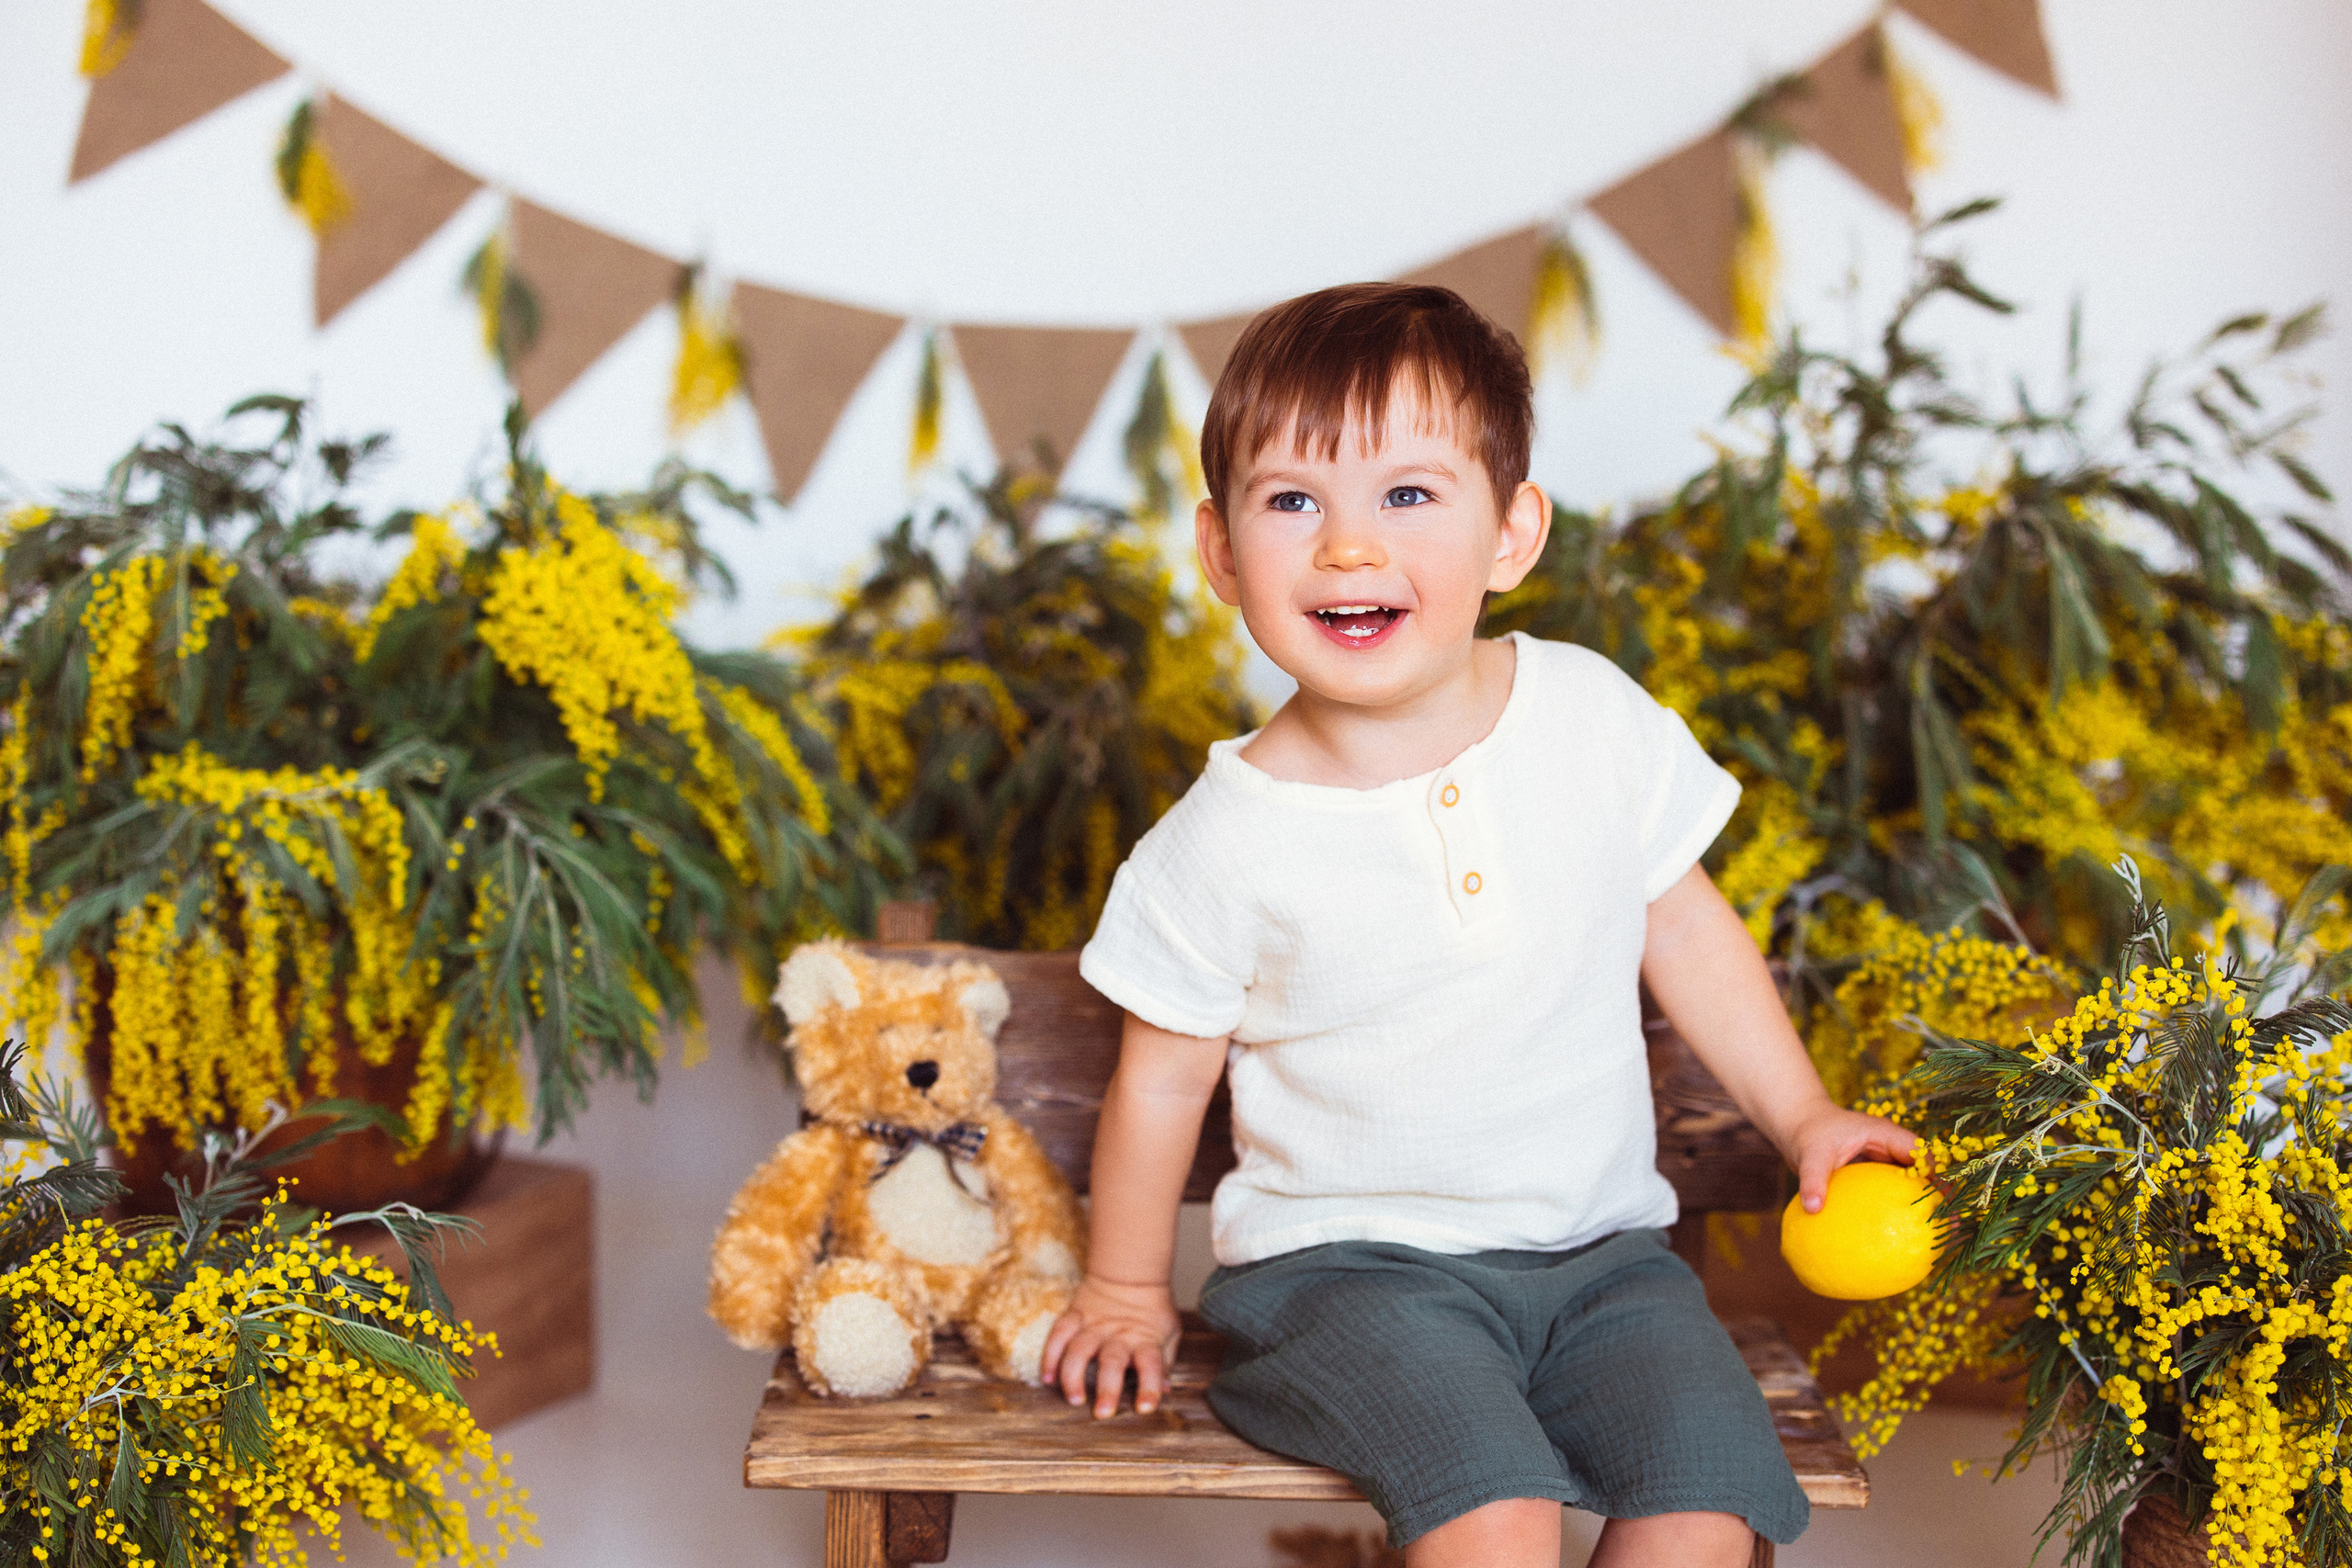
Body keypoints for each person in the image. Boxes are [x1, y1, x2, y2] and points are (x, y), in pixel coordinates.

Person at [1039, 282, 1917, 1567]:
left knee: (1706, 1500)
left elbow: (1684, 933)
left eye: (1408, 494)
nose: (1349, 547)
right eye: (1292, 501)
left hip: (1606, 1265)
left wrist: (1805, 1119)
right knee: (1495, 1511)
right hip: (1347, 1279)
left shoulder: (1591, 717)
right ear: (1221, 554)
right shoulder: (1225, 839)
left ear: (1512, 533)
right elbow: (1163, 1081)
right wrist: (1124, 1288)